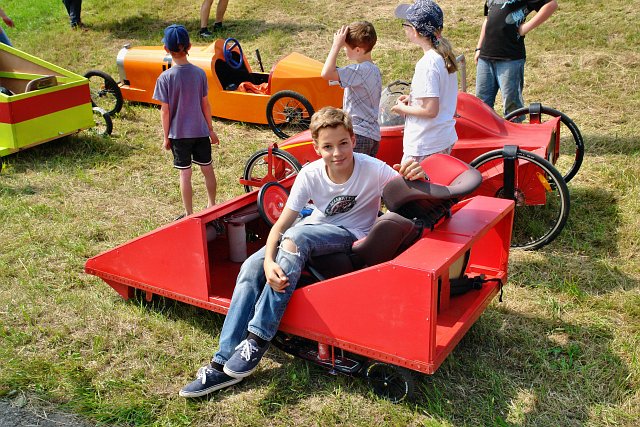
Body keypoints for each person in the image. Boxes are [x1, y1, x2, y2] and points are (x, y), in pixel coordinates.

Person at [178, 107, 426, 398]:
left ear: (353, 140)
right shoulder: (309, 174)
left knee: (298, 237)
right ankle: (221, 363)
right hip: (309, 229)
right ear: (317, 148)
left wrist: (416, 174)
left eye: (343, 143)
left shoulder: (373, 168)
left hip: (349, 236)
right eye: (328, 146)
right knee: (250, 267)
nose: (337, 153)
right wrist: (268, 262)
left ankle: (257, 339)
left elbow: (409, 188)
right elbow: (281, 225)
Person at [152, 24, 219, 219]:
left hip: (179, 135)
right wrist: (210, 129)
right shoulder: (200, 74)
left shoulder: (165, 78)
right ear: (189, 46)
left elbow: (165, 111)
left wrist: (166, 137)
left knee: (185, 174)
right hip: (200, 132)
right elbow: (205, 104)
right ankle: (212, 205)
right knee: (207, 169)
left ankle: (189, 213)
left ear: (166, 49)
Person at [392, 0, 459, 164]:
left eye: (405, 24)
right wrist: (414, 99)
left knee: (412, 181)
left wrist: (403, 109)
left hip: (425, 143)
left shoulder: (427, 64)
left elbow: (430, 110)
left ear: (415, 31)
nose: (404, 28)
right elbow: (439, 96)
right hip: (441, 138)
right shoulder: (443, 56)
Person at [474, 0, 558, 119]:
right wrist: (479, 48)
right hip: (485, 56)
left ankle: (514, 129)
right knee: (481, 103)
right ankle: (487, 130)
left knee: (511, 104)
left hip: (510, 58)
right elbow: (487, 20)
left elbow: (551, 5)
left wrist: (525, 28)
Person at [321, 21, 382, 157]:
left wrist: (336, 45)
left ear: (358, 50)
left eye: (345, 47)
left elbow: (326, 74)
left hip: (359, 134)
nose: (344, 49)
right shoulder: (373, 69)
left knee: (350, 170)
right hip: (372, 135)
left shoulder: (359, 71)